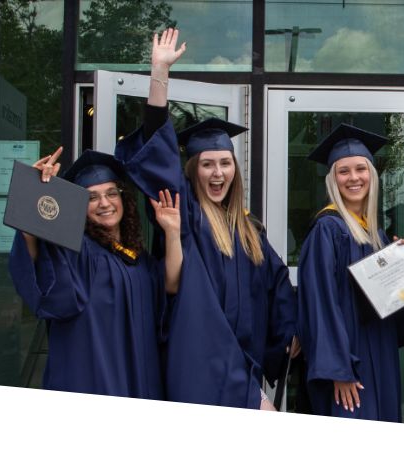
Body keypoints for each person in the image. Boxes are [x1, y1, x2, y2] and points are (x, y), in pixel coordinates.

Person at [112, 28, 296, 409]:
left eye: (225, 163)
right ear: (193, 170)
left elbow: (278, 282)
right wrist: (159, 75)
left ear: (235, 169)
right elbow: (158, 156)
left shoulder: (250, 230)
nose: (217, 173)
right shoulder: (188, 214)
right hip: (201, 363)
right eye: (207, 164)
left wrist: (293, 329)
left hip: (244, 364)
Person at [9, 147, 179, 400]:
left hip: (139, 381)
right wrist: (34, 193)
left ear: (124, 199)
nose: (105, 203)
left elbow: (172, 285)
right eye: (92, 197)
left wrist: (173, 232)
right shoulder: (78, 250)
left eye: (112, 193)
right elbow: (41, 261)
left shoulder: (139, 260)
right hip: (92, 380)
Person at [296, 124, 404, 421]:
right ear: (332, 180)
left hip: (378, 350)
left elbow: (385, 300)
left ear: (372, 175)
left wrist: (398, 263)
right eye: (344, 171)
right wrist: (339, 369)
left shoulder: (373, 231)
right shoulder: (327, 230)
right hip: (349, 360)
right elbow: (320, 304)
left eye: (360, 169)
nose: (354, 178)